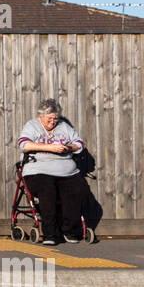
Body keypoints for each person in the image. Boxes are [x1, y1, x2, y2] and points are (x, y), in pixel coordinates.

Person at [17, 99, 86, 246]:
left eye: (55, 118)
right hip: (39, 169)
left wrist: (69, 148)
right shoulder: (32, 126)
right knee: (47, 191)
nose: (53, 122)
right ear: (41, 116)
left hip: (67, 169)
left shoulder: (64, 126)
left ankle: (69, 230)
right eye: (49, 119)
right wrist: (50, 148)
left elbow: (80, 143)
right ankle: (50, 233)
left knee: (77, 189)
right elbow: (24, 144)